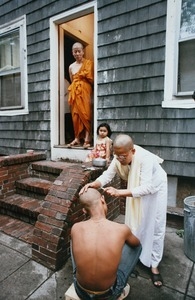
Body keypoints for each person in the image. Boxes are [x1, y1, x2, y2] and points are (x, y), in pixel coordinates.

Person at [80, 134, 167, 287]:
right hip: (138, 188)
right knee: (136, 222)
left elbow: (147, 187)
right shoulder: (119, 156)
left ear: (132, 151)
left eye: (123, 156)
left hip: (155, 188)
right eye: (117, 155)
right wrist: (94, 183)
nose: (119, 159)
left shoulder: (145, 158)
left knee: (155, 225)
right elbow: (108, 174)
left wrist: (119, 192)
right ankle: (136, 258)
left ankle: (154, 264)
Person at [71, 188, 142, 300]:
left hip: (80, 291)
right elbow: (136, 244)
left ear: (84, 211)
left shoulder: (75, 228)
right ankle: (119, 286)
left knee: (74, 239)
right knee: (136, 246)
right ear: (102, 199)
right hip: (108, 294)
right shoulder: (122, 229)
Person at [67, 42, 94, 148]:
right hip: (75, 92)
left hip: (85, 91)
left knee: (86, 114)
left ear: (83, 51)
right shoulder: (71, 66)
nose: (77, 53)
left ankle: (87, 137)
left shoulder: (88, 63)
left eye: (79, 51)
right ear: (72, 53)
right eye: (75, 51)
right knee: (75, 115)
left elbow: (92, 79)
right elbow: (72, 80)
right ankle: (77, 138)